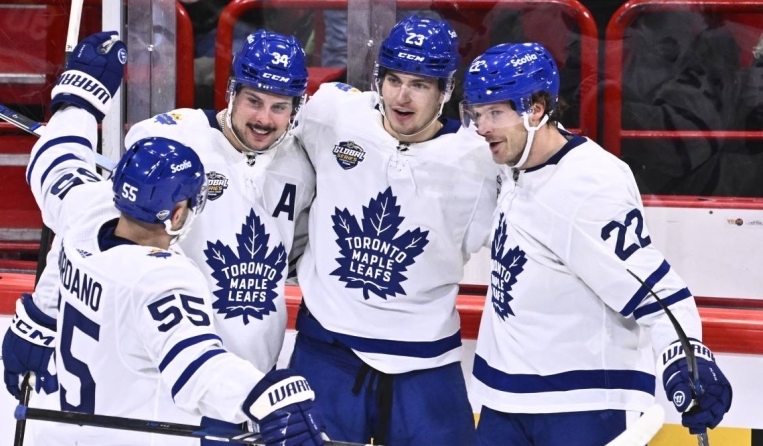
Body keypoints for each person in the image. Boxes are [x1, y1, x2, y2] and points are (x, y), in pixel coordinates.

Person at [14, 31, 325, 446]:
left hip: (251, 381)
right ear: (231, 91)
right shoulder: (173, 141)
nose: (264, 119)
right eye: (253, 101)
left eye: (279, 106)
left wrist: (78, 101)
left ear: (296, 108)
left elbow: (75, 211)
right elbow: (94, 221)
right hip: (183, 386)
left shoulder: (301, 166)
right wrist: (44, 311)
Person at [459, 42, 733, 445]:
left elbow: (655, 289)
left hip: (582, 404)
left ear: (536, 109)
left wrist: (685, 356)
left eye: (495, 113)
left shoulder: (589, 186)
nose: (482, 127)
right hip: (507, 397)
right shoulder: (509, 159)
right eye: (477, 113)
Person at [288, 16, 498, 446]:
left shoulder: (481, 161)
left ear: (445, 90)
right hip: (328, 347)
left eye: (419, 84)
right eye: (394, 80)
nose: (402, 96)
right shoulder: (332, 115)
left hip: (426, 359)